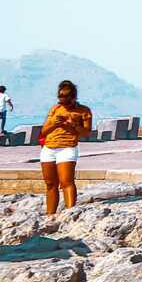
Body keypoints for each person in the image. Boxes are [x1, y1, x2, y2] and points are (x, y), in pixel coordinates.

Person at [40, 81, 92, 214]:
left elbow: (86, 133)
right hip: (49, 148)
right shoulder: (55, 109)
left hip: (67, 147)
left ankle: (70, 213)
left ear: (73, 98)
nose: (63, 104)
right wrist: (54, 124)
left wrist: (73, 125)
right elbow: (44, 131)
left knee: (66, 182)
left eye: (66, 102)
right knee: (50, 184)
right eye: (61, 101)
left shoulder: (84, 111)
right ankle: (50, 214)